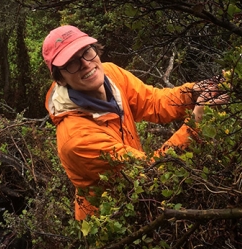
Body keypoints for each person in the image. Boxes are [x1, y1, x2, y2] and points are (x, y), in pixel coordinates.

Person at [42, 25, 227, 220]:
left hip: (136, 199)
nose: (86, 64)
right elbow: (148, 174)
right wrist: (198, 123)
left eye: (86, 51)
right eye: (71, 63)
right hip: (111, 220)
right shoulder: (78, 140)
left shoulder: (111, 75)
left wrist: (195, 92)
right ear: (60, 77)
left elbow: (155, 102)